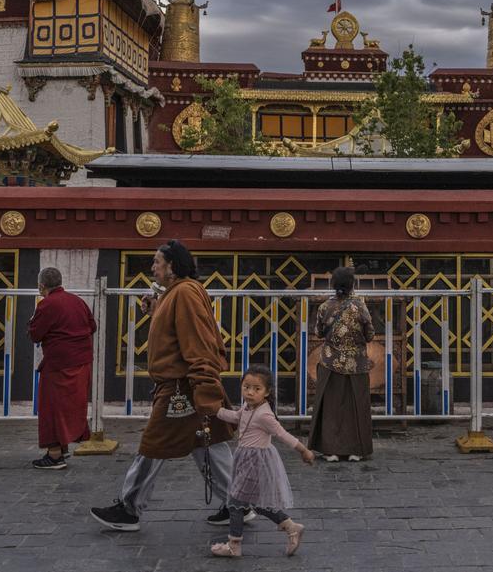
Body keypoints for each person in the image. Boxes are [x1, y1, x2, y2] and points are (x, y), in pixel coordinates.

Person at [90, 239, 244, 531]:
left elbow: (197, 342)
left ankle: (129, 508)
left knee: (153, 445)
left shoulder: (184, 294)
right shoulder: (178, 293)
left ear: (172, 266)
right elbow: (178, 330)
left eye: (157, 262)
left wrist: (205, 385)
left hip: (182, 388)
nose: (153, 267)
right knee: (208, 443)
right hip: (187, 384)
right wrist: (156, 309)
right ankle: (238, 504)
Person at [210, 365, 314, 558]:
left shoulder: (264, 414)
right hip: (245, 459)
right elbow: (236, 417)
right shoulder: (248, 407)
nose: (250, 392)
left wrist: (304, 450)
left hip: (255, 463)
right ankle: (292, 528)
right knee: (256, 503)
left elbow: (282, 434)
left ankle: (234, 545)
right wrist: (216, 411)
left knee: (234, 503)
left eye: (256, 389)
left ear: (267, 392)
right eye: (246, 387)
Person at [27, 267, 96, 469]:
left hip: (59, 365)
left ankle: (55, 455)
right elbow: (92, 327)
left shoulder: (47, 304)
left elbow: (35, 335)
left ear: (41, 286)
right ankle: (61, 450)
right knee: (71, 406)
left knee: (52, 408)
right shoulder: (77, 301)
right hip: (82, 362)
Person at [307, 265, 375, 462]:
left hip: (330, 362)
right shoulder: (360, 306)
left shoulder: (325, 307)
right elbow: (370, 334)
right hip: (357, 363)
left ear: (333, 284)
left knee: (331, 406)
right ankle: (356, 450)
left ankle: (331, 450)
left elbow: (318, 333)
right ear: (352, 285)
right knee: (357, 405)